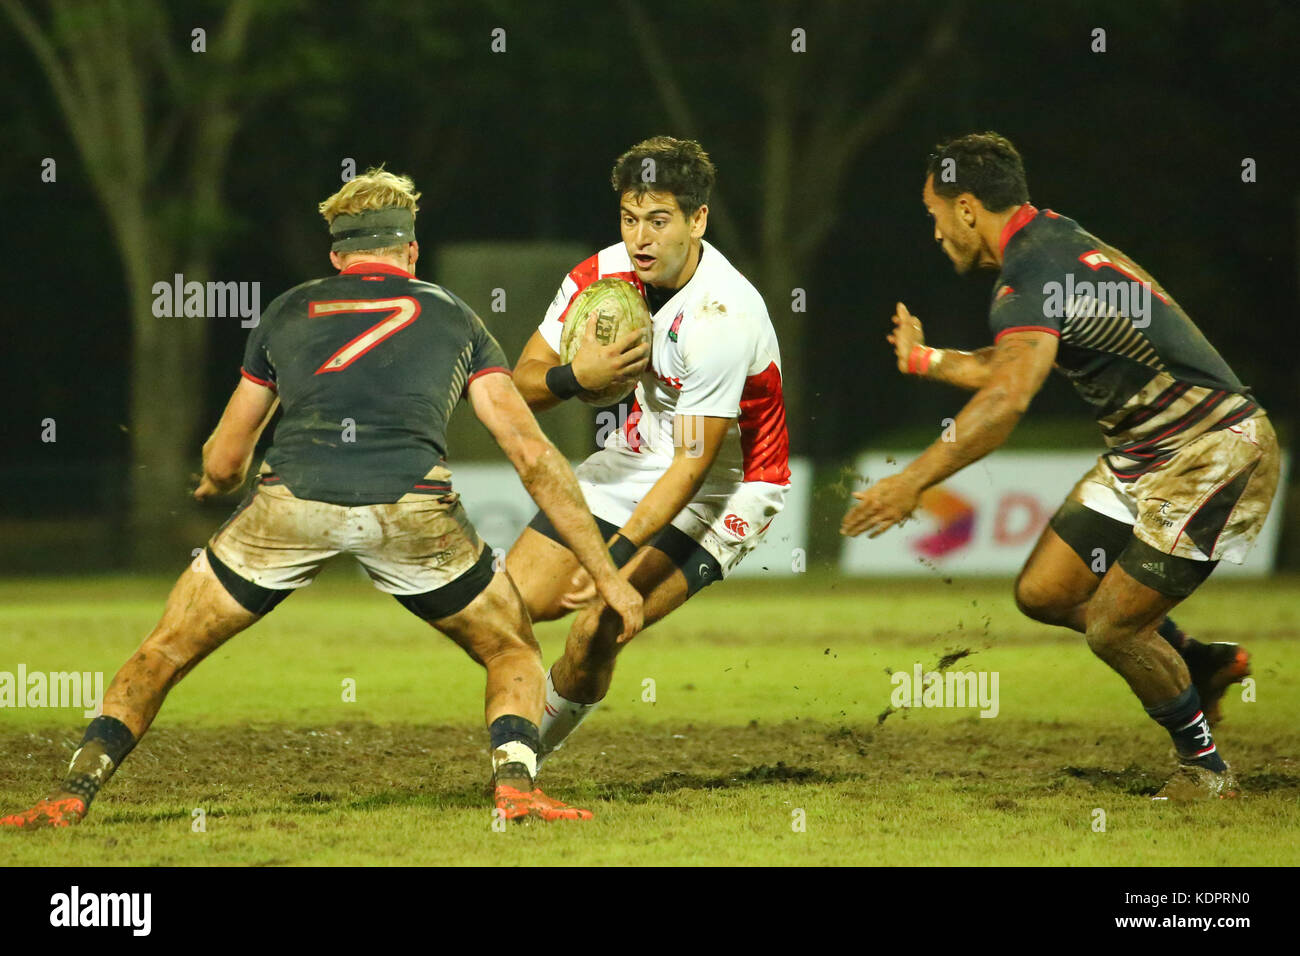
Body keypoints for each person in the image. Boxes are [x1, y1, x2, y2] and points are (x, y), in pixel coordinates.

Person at [1, 167, 641, 829]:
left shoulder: (286, 310)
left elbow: (224, 458)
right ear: (411, 252)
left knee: (162, 650)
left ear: (336, 256)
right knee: (512, 650)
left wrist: (216, 482)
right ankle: (515, 789)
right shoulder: (456, 318)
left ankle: (72, 794)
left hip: (289, 505)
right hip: (412, 508)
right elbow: (532, 455)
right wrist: (605, 576)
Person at [841, 133, 1279, 800]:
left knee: (1113, 627)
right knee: (1046, 592)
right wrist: (927, 361)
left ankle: (1206, 769)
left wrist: (913, 481)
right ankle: (1196, 661)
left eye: (933, 215)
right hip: (1143, 455)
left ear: (965, 208)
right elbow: (1015, 364)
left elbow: (1009, 397)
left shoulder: (1031, 270)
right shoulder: (1050, 243)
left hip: (1213, 451)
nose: (934, 233)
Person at [505, 137, 791, 766]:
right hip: (638, 453)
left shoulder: (721, 316)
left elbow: (693, 464)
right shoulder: (600, 277)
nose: (641, 239)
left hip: (727, 484)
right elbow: (521, 379)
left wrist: (614, 561)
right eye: (631, 219)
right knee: (508, 606)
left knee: (592, 631)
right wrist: (574, 377)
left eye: (659, 221)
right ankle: (518, 749)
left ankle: (520, 764)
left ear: (698, 221)